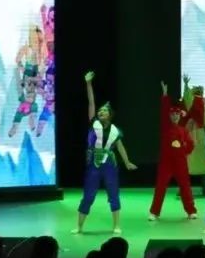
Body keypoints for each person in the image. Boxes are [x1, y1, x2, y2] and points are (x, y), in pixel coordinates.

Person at [74, 71, 136, 235]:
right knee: (88, 195)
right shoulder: (93, 123)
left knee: (113, 194)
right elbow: (91, 102)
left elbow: (120, 147)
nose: (100, 112)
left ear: (110, 115)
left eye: (104, 111)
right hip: (93, 163)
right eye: (99, 110)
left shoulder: (115, 131)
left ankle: (116, 225)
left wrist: (127, 162)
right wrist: (88, 84)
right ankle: (79, 227)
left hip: (109, 164)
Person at [149, 80, 198, 220]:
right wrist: (165, 95)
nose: (175, 116)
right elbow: (164, 110)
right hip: (166, 163)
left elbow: (191, 145)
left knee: (185, 187)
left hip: (180, 163)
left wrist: (183, 149)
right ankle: (154, 212)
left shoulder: (183, 130)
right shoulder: (165, 127)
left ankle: (191, 211)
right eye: (172, 114)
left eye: (177, 114)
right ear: (169, 116)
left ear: (179, 115)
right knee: (160, 187)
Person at [181, 74, 205, 197]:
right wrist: (186, 85)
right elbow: (188, 100)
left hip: (199, 139)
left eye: (200, 93)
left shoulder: (202, 106)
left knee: (198, 166)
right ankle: (185, 189)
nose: (199, 95)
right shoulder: (194, 104)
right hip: (192, 138)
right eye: (197, 93)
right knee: (188, 165)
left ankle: (204, 189)